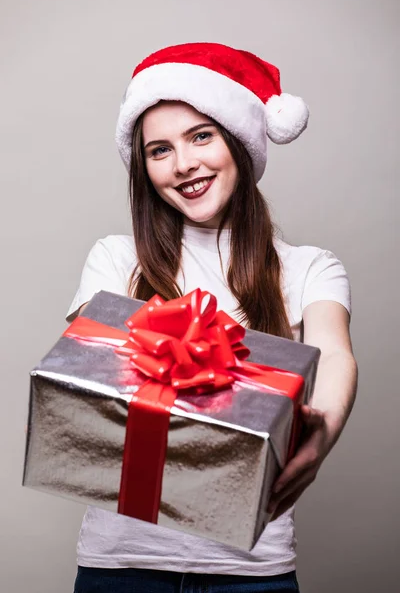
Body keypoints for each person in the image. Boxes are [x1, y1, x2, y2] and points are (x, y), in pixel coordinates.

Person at [68, 42, 358, 593]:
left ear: (240, 141)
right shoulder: (115, 258)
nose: (183, 164)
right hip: (122, 566)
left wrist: (323, 430)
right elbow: (96, 364)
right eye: (159, 150)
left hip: (252, 570)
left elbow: (336, 353)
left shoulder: (307, 269)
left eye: (201, 136)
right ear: (143, 167)